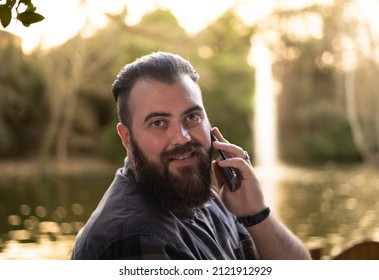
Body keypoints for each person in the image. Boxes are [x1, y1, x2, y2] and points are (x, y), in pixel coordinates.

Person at [70, 51, 311, 260]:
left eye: (192, 117)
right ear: (127, 138)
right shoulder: (133, 239)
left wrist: (255, 214)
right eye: (158, 122)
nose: (182, 137)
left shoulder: (205, 197)